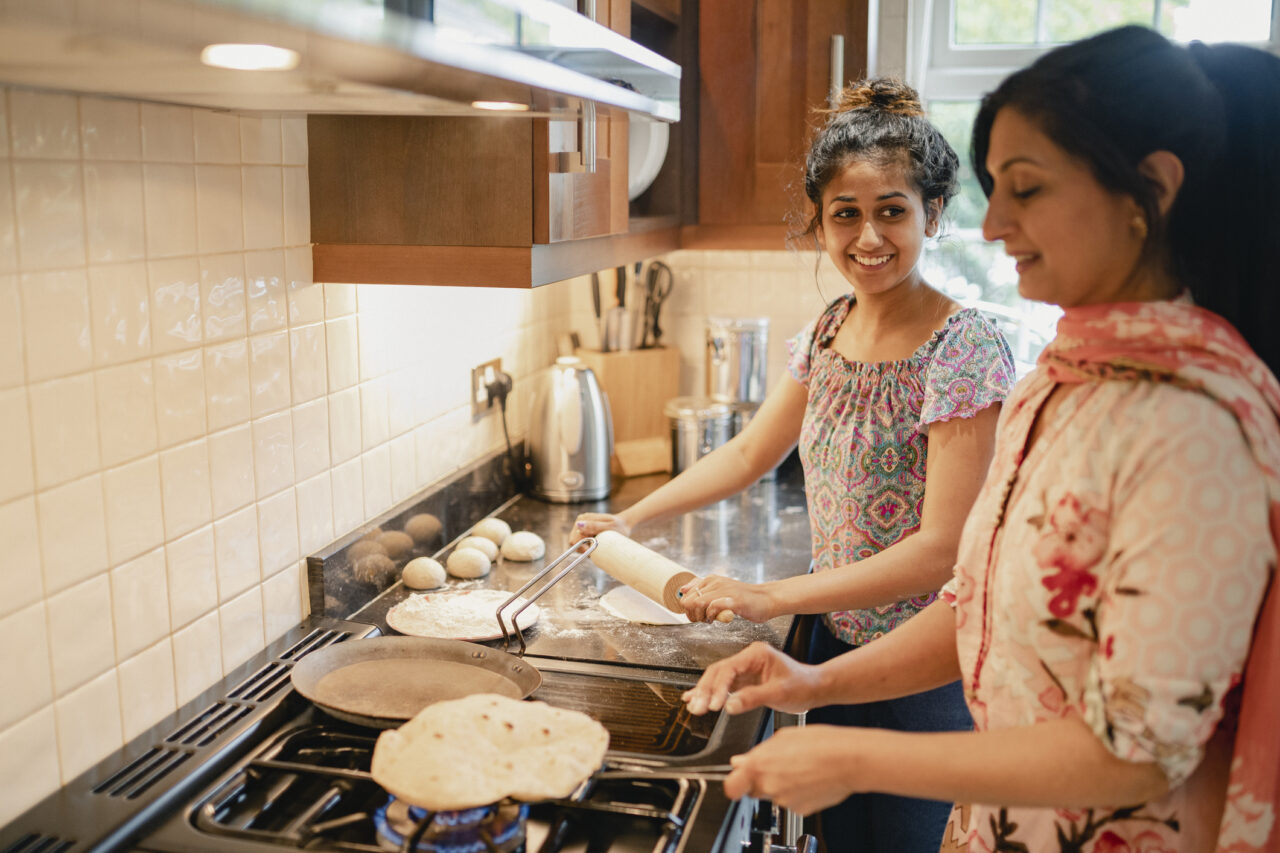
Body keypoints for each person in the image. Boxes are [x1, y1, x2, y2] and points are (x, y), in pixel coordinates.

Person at [680, 25, 1280, 852]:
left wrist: (858, 755)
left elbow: (1137, 752)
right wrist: (814, 680)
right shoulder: (1064, 381)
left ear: (1152, 189)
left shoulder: (1191, 427)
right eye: (995, 187)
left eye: (1026, 189)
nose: (993, 224)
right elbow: (976, 598)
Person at [572, 79, 1016, 851]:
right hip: (831, 641)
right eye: (846, 214)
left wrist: (766, 592)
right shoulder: (828, 329)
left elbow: (940, 549)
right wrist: (630, 517)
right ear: (819, 222)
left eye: (892, 211)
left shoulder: (963, 349)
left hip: (923, 664)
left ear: (932, 215)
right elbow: (749, 452)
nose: (868, 237)